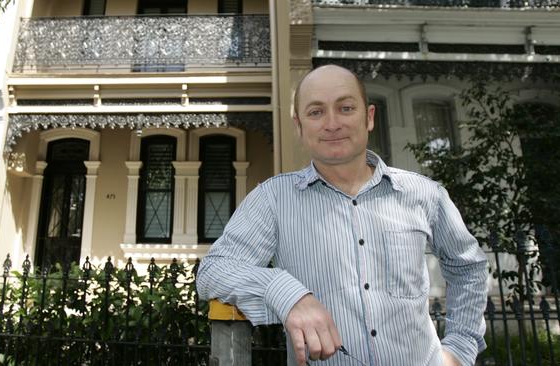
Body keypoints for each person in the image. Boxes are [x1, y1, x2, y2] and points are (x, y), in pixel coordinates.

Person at [196, 65, 488, 366]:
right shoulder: (272, 199)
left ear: (369, 117)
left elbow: (469, 268)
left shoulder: (425, 194)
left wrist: (459, 349)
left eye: (345, 108)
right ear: (299, 126)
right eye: (316, 112)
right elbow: (213, 272)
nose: (332, 123)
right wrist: (287, 293)